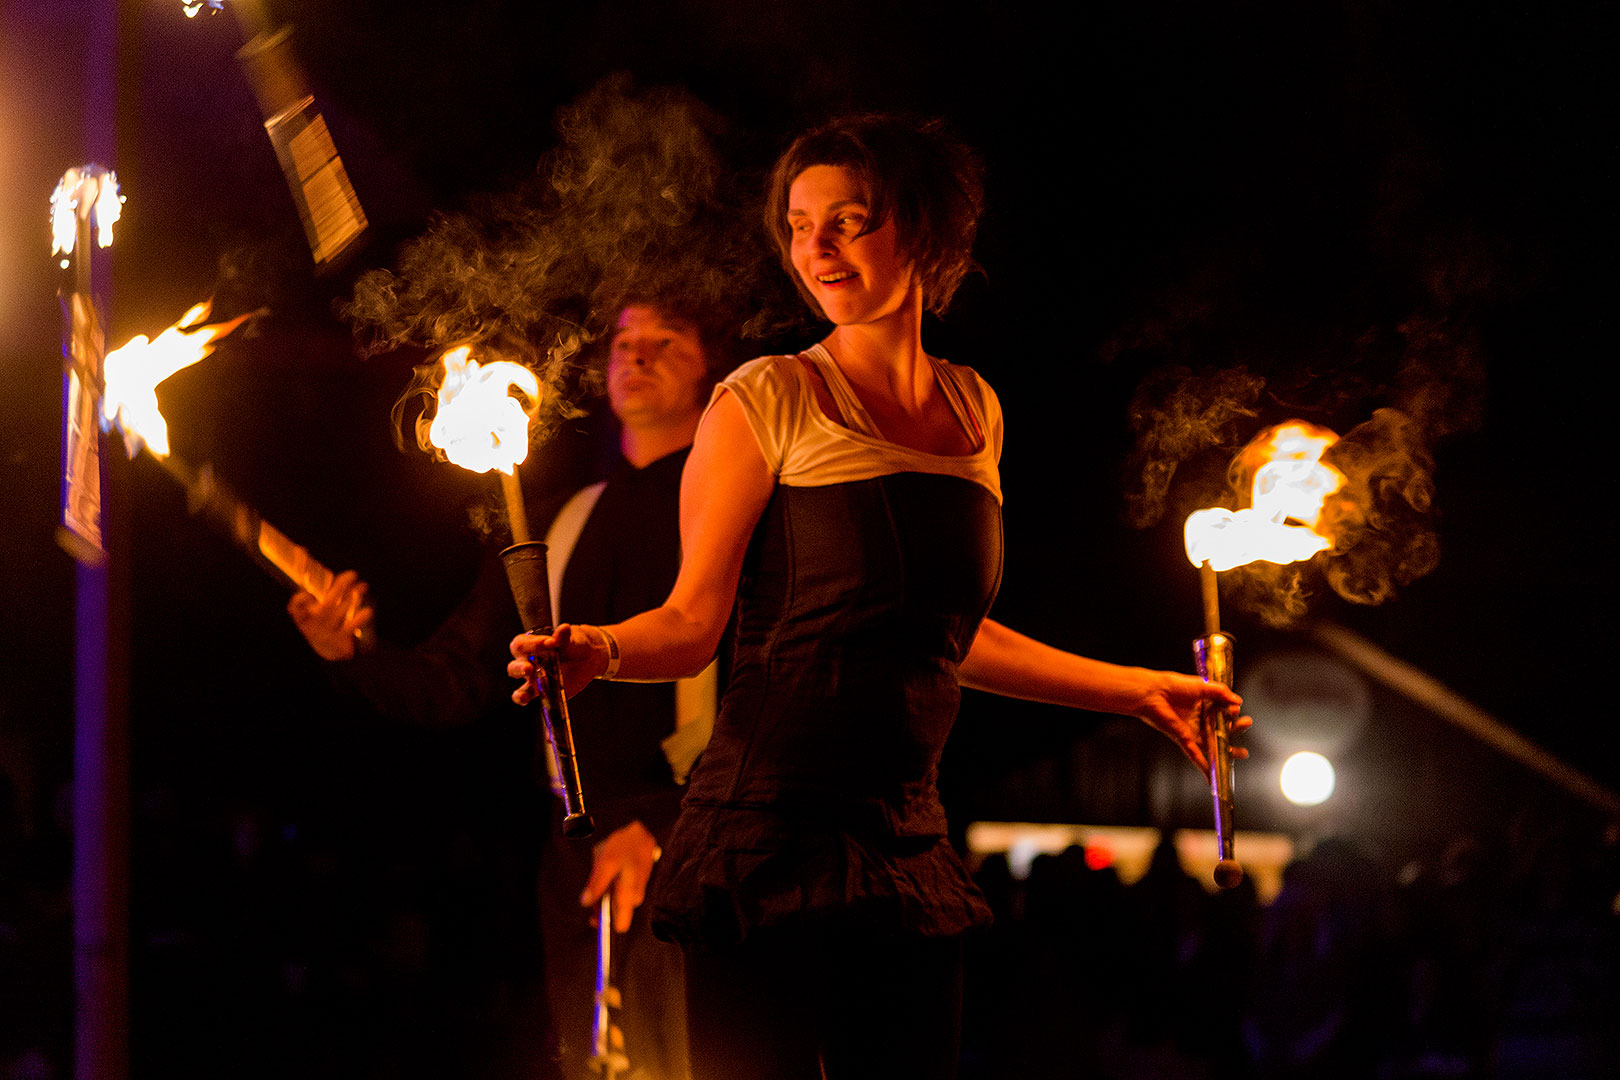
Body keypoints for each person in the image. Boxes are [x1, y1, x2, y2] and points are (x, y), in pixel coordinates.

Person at [507, 116, 1249, 1079]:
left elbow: (942, 634)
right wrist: (597, 649)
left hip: (904, 844)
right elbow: (693, 624)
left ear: (925, 237)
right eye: (801, 224)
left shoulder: (975, 409)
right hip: (762, 844)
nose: (817, 247)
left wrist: (1140, 692)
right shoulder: (764, 399)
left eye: (849, 221)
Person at [291, 300, 730, 1080]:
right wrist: (352, 652)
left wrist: (669, 826)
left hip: (710, 849)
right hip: (578, 860)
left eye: (669, 341)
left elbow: (773, 688)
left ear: (711, 369)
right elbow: (453, 681)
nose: (638, 357)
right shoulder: (558, 524)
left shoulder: (732, 512)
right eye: (625, 343)